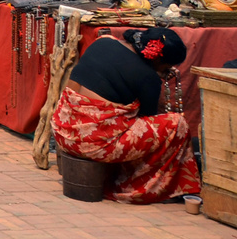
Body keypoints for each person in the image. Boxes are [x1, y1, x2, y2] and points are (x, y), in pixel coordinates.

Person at [51, 28, 199, 203]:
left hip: (62, 130)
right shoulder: (148, 77)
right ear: (158, 58)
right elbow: (146, 116)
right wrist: (154, 78)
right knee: (177, 123)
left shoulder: (103, 41)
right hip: (91, 144)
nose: (168, 71)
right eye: (167, 67)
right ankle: (133, 184)